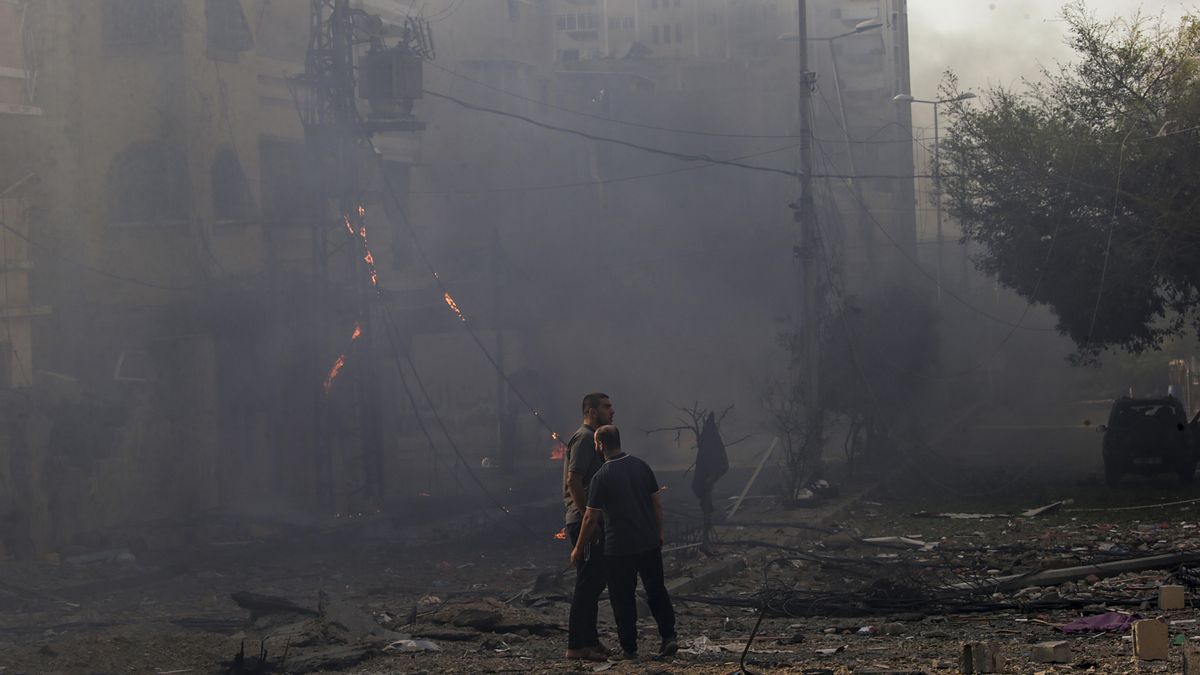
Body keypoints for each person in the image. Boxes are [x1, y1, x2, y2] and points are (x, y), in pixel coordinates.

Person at [571, 425, 677, 661]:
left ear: (600, 445)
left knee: (622, 598)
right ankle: (668, 636)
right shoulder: (642, 466)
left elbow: (590, 518)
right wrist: (659, 532)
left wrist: (578, 548)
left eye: (596, 444)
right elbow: (657, 504)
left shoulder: (601, 476)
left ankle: (629, 648)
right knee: (656, 590)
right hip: (648, 542)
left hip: (619, 548)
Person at [562, 392, 615, 660]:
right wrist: (588, 519)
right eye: (606, 407)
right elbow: (574, 481)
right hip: (584, 522)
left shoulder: (592, 439)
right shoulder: (584, 438)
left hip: (592, 521)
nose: (612, 411)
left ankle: (591, 641)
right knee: (587, 584)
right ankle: (576, 645)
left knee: (594, 583)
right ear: (592, 412)